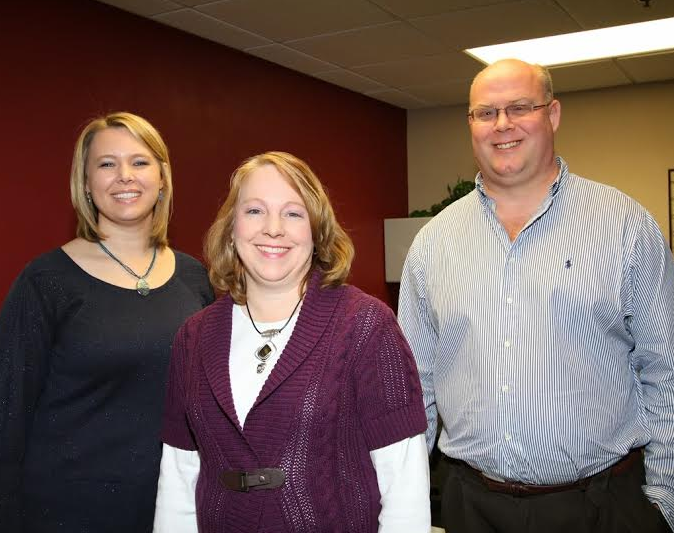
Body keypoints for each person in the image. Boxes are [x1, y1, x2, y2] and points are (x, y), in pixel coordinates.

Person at [399, 58, 674, 533]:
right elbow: (412, 386)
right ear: (471, 124)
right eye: (485, 113)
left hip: (601, 506)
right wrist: (404, 503)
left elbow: (665, 369)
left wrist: (663, 502)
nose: (501, 124)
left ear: (553, 115)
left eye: (520, 107)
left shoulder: (625, 227)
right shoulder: (433, 244)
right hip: (470, 507)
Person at [152, 151, 430, 532]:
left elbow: (405, 487)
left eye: (293, 213)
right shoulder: (194, 338)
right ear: (231, 227)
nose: (273, 229)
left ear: (317, 230)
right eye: (254, 211)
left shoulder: (366, 326)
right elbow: (180, 478)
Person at [0, 112, 214, 532]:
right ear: (84, 182)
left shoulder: (196, 278)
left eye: (139, 162)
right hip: (65, 511)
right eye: (106, 164)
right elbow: (8, 413)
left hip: (171, 506)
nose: (124, 177)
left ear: (163, 177)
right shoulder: (47, 281)